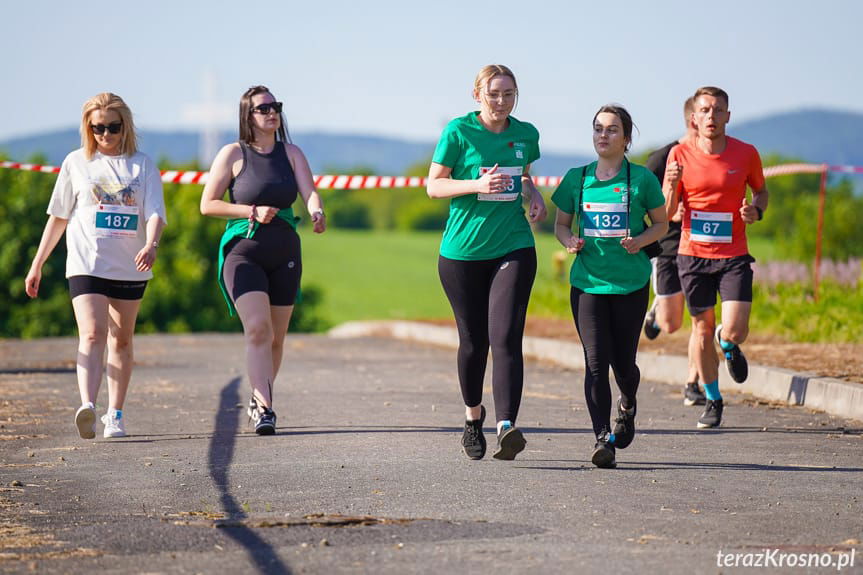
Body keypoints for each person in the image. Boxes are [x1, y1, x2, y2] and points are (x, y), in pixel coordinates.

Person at [24, 93, 166, 439]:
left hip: (130, 264)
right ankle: (88, 405)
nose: (105, 134)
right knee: (91, 333)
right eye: (97, 128)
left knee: (122, 339)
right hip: (86, 262)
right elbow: (58, 217)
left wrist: (151, 244)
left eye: (112, 127)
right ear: (88, 128)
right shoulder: (76, 162)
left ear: (125, 126)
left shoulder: (142, 165)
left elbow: (155, 213)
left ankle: (114, 414)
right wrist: (37, 263)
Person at [427, 64, 547, 461]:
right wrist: (476, 185)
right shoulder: (459, 132)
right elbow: (434, 185)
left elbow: (523, 175)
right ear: (477, 94)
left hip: (513, 245)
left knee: (506, 336)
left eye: (508, 94)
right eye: (493, 93)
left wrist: (533, 194)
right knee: (474, 342)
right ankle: (473, 417)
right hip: (463, 253)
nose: (501, 101)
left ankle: (506, 426)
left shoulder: (526, 134)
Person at [200, 85, 325, 435]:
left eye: (276, 106)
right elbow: (208, 204)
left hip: (285, 252)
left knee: (276, 339)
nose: (272, 113)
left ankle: (259, 399)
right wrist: (250, 211)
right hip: (243, 251)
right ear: (248, 116)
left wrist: (317, 211)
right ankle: (266, 408)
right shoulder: (232, 154)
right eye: (263, 108)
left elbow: (309, 192)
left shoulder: (292, 153)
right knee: (258, 328)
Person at [552, 105, 668, 468]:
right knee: (595, 363)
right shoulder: (577, 178)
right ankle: (602, 438)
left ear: (627, 138)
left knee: (623, 365)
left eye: (612, 129)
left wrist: (640, 240)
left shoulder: (642, 180)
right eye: (598, 129)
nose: (604, 135)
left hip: (630, 283)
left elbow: (662, 224)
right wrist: (570, 242)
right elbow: (561, 225)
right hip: (588, 283)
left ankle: (628, 403)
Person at [665, 86, 769, 429]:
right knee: (701, 329)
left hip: (733, 254)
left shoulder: (746, 153)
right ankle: (713, 399)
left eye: (718, 110)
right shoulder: (679, 153)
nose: (711, 116)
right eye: (705, 110)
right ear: (694, 117)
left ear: (728, 116)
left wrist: (756, 210)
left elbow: (761, 191)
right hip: (692, 255)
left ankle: (729, 342)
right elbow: (666, 212)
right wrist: (671, 185)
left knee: (736, 329)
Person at [642, 97, 706, 407]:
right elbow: (638, 202)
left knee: (702, 320)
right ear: (693, 120)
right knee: (671, 324)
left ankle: (693, 382)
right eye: (704, 114)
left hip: (704, 247)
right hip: (669, 245)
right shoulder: (663, 158)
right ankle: (657, 313)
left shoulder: (713, 157)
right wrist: (666, 212)